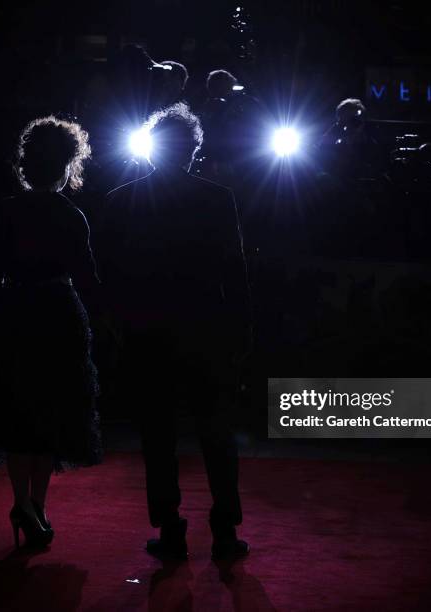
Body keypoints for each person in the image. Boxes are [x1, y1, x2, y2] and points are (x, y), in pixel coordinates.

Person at [96, 102, 251, 560]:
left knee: (157, 437)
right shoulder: (218, 198)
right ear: (194, 151)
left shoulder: (121, 200)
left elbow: (109, 273)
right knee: (216, 435)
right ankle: (224, 530)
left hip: (148, 333)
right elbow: (234, 273)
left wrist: (119, 325)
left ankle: (169, 529)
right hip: (205, 332)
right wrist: (242, 333)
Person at [0, 115, 103, 549]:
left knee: (17, 413)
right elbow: (87, 277)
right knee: (51, 414)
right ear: (65, 166)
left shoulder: (6, 212)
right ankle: (35, 506)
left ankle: (24, 502)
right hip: (57, 313)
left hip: (14, 313)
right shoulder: (70, 215)